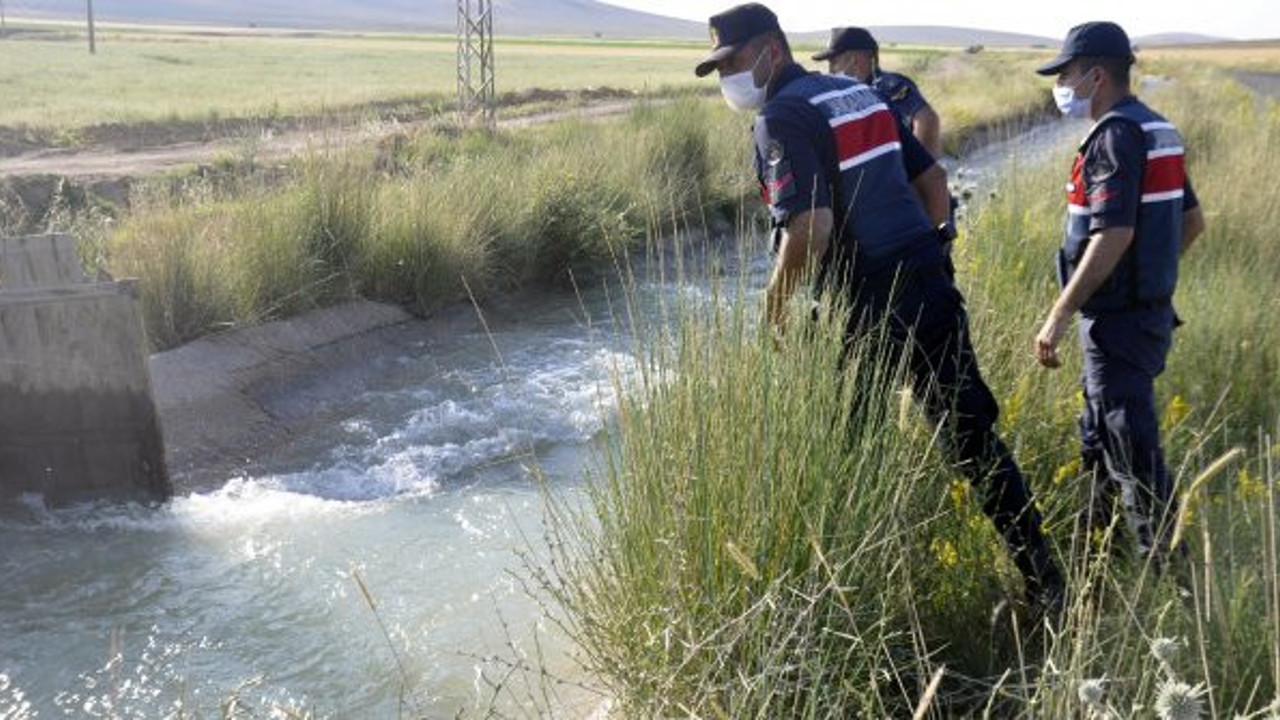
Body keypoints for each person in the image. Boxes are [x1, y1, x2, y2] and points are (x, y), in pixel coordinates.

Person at [694, 3, 1064, 609]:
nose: (728, 77)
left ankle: (860, 603)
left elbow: (809, 229)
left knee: (851, 452)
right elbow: (933, 183)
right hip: (928, 281)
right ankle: (1046, 582)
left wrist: (775, 308)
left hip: (868, 304)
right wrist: (936, 252)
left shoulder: (782, 117)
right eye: (719, 67)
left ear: (772, 51)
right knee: (972, 439)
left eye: (733, 61)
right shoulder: (856, 96)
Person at [1032, 22, 1206, 567]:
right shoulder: (1159, 130)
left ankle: (1184, 603)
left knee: (1136, 468)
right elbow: (1193, 221)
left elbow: (1113, 233)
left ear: (1097, 75)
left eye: (1066, 74)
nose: (1061, 85)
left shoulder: (1113, 136)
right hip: (1144, 317)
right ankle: (1093, 578)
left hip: (1118, 328)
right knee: (1099, 451)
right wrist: (1148, 273)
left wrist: (1059, 315)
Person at [813, 27, 943, 158]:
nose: (830, 71)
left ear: (854, 61)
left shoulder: (886, 86)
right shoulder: (855, 91)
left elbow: (927, 119)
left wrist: (920, 170)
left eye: (834, 62)